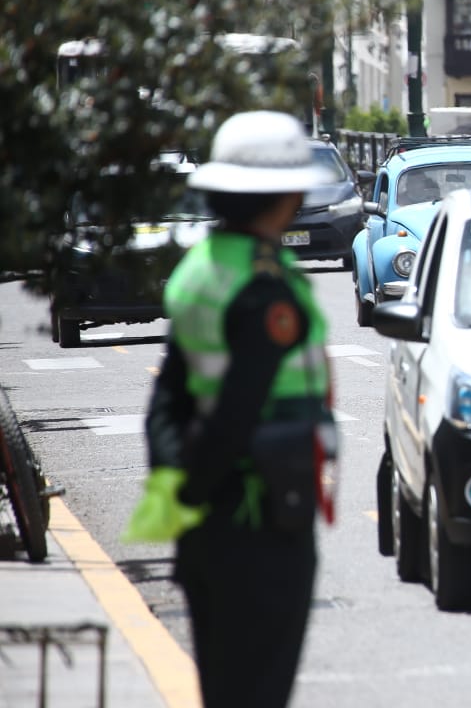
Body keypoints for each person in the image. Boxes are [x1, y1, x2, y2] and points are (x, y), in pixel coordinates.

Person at [130, 110, 338, 708]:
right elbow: (238, 413)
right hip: (259, 521)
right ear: (285, 196)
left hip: (209, 524)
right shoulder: (265, 288)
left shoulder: (200, 268)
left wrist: (186, 503)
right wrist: (210, 496)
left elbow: (166, 405)